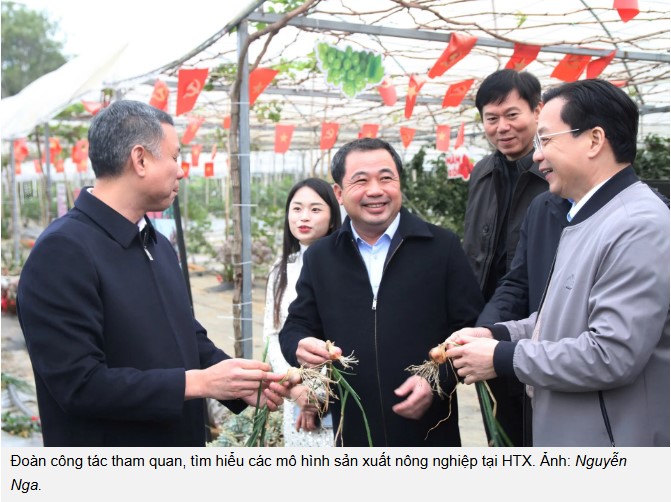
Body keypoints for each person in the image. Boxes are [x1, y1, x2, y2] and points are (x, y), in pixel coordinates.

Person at [16, 100, 290, 447]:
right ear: (140, 159)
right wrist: (199, 383)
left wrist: (244, 382)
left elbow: (185, 336)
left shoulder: (155, 242)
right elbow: (79, 384)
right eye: (175, 156)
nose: (181, 171)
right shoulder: (63, 251)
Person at [445, 79, 670, 446]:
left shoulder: (637, 224)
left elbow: (611, 354)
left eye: (546, 140)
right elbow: (561, 319)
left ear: (594, 140)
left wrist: (503, 357)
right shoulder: (585, 218)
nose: (537, 156)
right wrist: (498, 334)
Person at [279, 137, 484, 447]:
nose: (375, 190)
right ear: (339, 193)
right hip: (353, 430)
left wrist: (437, 381)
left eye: (386, 178)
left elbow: (470, 329)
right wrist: (298, 345)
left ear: (399, 183)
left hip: (429, 433)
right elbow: (296, 325)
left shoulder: (441, 248)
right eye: (361, 181)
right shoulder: (321, 257)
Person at [461, 69, 545, 446]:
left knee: (537, 430)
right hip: (489, 322)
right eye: (491, 118)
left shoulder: (553, 173)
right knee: (500, 430)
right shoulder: (482, 172)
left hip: (539, 327)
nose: (502, 127)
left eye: (512, 115)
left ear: (537, 111)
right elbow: (474, 249)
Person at [263, 177, 341, 446]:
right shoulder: (280, 270)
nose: (304, 217)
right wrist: (295, 387)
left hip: (338, 394)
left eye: (315, 209)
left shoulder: (344, 267)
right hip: (295, 394)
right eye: (296, 209)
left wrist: (320, 393)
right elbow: (272, 336)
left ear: (333, 218)